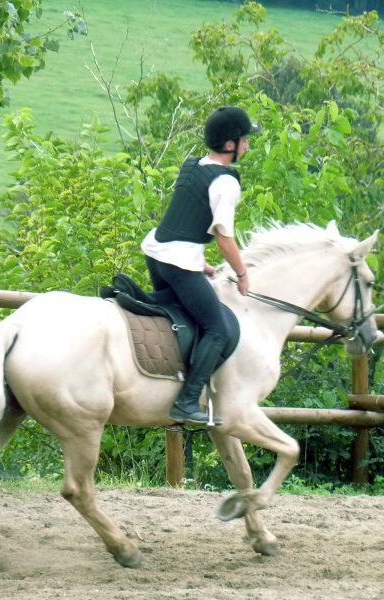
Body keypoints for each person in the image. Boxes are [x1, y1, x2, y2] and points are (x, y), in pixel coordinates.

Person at [140, 106, 261, 424]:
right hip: (177, 263)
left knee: (180, 318)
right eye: (245, 139)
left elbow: (185, 218)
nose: (247, 145)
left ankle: (165, 380)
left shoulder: (191, 165)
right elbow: (224, 237)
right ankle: (187, 400)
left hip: (156, 253)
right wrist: (242, 273)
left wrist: (200, 262)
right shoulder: (226, 183)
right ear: (231, 144)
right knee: (217, 329)